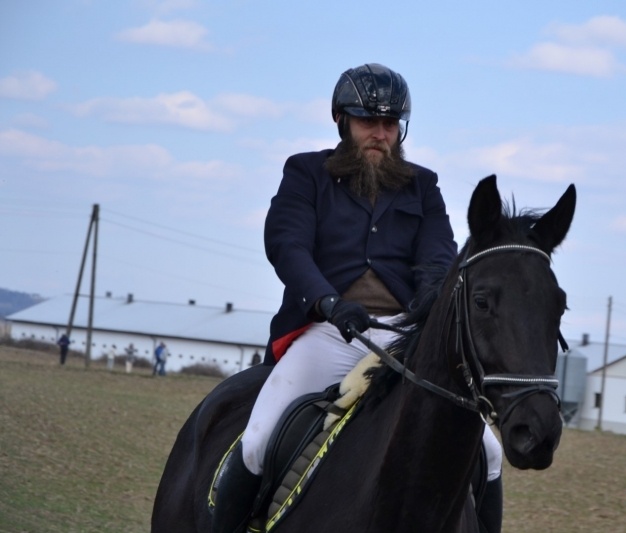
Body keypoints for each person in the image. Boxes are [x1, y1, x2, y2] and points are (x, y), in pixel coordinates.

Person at [212, 63, 505, 533]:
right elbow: (287, 245)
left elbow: (437, 258)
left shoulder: (423, 186)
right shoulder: (306, 173)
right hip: (326, 333)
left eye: (390, 123)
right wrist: (327, 302)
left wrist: (428, 308)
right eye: (369, 121)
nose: (380, 133)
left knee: (488, 453)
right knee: (258, 441)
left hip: (403, 340)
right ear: (341, 119)